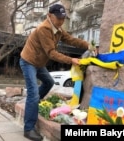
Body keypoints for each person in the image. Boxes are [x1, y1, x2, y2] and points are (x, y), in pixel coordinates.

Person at [19, 3, 94, 141]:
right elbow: (51, 53)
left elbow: (70, 39)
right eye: (58, 18)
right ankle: (28, 129)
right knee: (33, 93)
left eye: (63, 18)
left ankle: (32, 103)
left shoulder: (58, 29)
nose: (61, 21)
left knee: (49, 82)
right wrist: (72, 60)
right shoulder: (44, 29)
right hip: (28, 61)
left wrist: (89, 45)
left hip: (39, 63)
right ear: (49, 16)